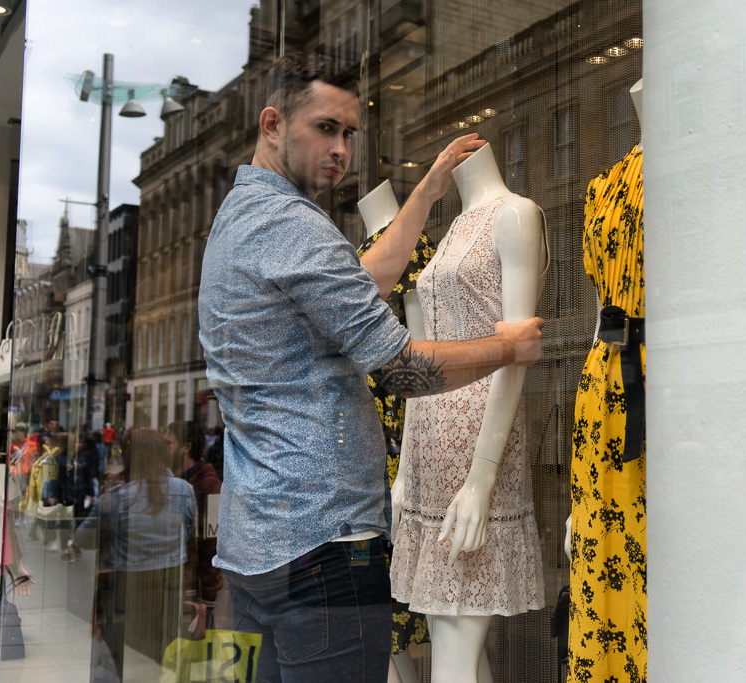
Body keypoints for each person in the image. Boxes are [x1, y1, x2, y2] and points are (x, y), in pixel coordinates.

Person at [198, 53, 544, 682]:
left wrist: (427, 190)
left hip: (257, 549)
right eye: (325, 128)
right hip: (320, 553)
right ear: (272, 123)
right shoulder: (294, 227)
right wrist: (508, 346)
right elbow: (404, 372)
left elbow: (363, 282)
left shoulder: (241, 217)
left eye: (350, 134)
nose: (341, 150)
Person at [77, 429, 197, 678]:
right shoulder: (185, 490)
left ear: (129, 458)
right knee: (161, 660)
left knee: (121, 660)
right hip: (169, 593)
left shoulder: (118, 496)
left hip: (127, 593)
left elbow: (84, 539)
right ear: (164, 456)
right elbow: (188, 534)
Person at [166, 420, 224, 623]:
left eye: (169, 443)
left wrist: (208, 598)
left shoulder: (211, 487)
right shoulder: (175, 483)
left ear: (186, 447)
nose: (165, 450)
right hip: (178, 585)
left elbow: (212, 542)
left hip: (196, 591)